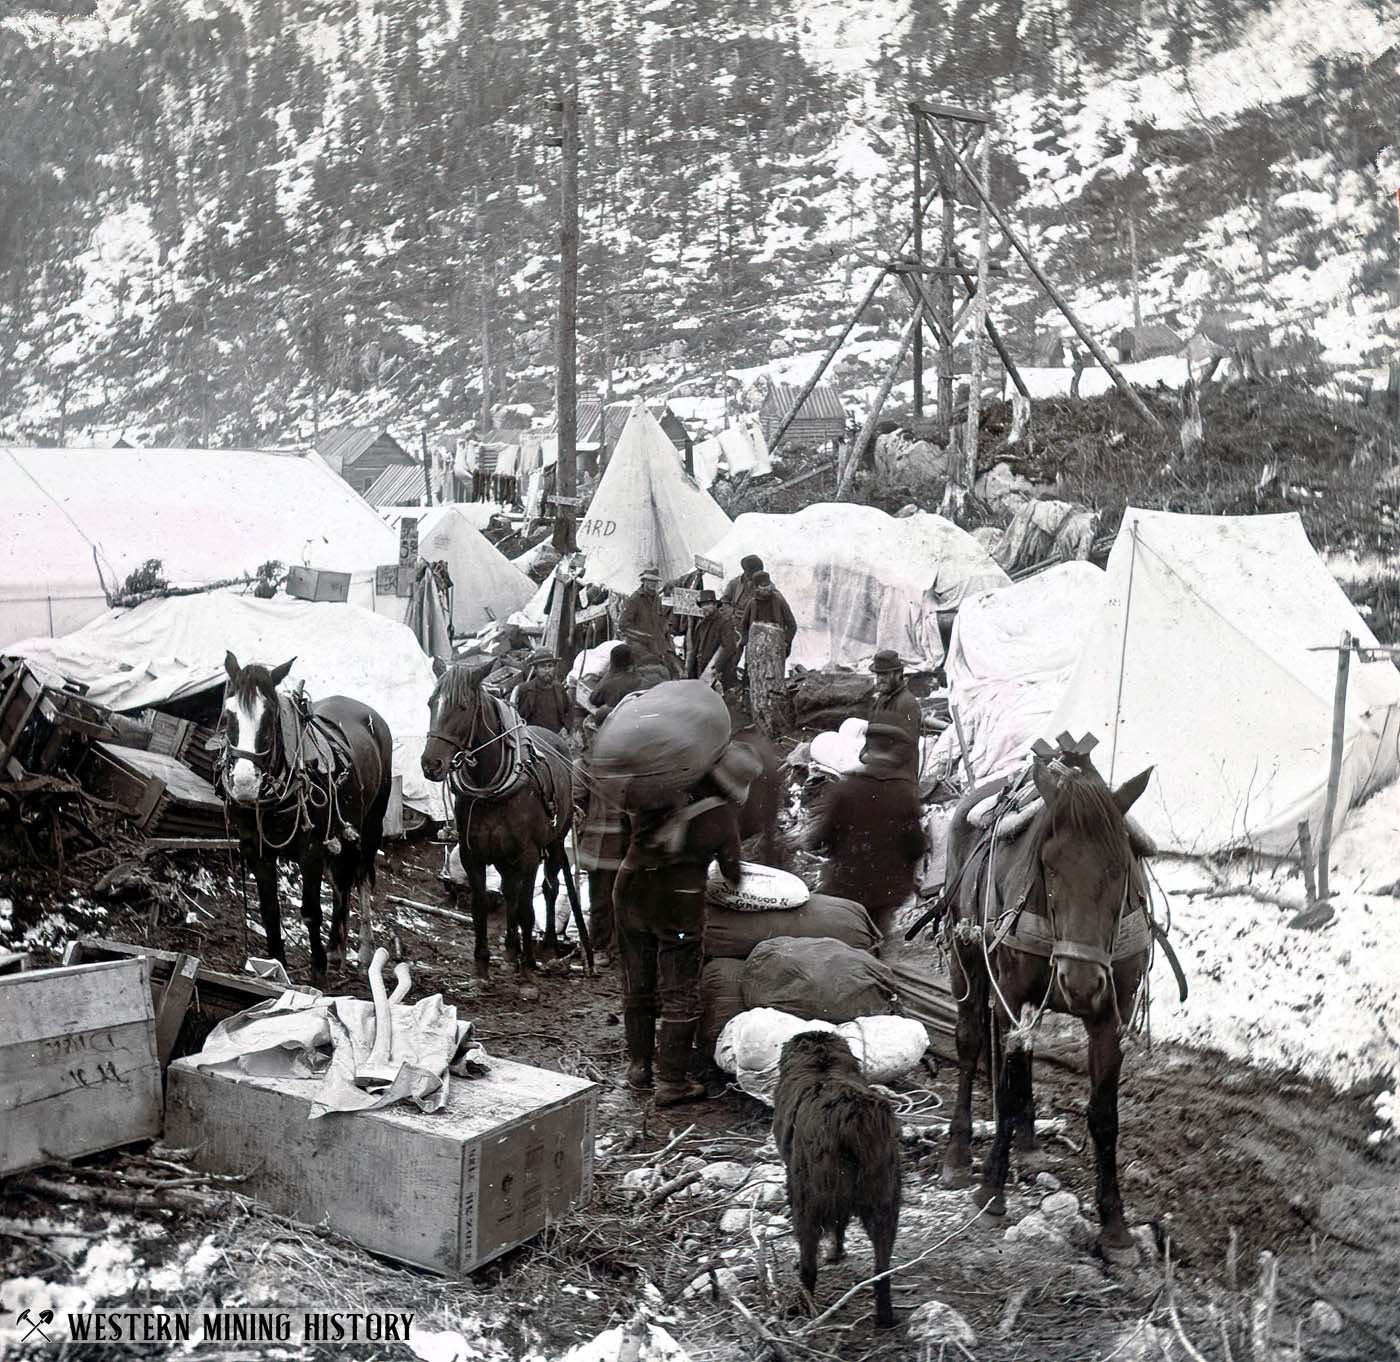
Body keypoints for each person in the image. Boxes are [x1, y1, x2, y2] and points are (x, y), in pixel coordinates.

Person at [614, 744, 758, 1105]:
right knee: (680, 990)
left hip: (630, 889)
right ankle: (672, 1081)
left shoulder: (657, 790)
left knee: (638, 983)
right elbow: (733, 875)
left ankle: (638, 1068)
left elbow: (624, 827)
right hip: (677, 902)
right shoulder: (722, 816)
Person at [804, 723, 928, 955]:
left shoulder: (846, 789)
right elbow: (917, 846)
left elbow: (821, 837)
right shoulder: (904, 794)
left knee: (843, 946)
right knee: (878, 944)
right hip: (887, 891)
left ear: (867, 750)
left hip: (846, 886)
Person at [867, 649, 922, 779]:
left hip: (899, 778)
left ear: (898, 674)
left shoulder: (907, 703)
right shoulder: (881, 700)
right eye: (878, 675)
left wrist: (877, 765)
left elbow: (906, 747)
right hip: (879, 772)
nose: (880, 679)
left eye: (885, 675)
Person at [619, 566, 675, 671]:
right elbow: (623, 625)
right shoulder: (634, 599)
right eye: (650, 580)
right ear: (644, 581)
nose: (653, 584)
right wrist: (644, 637)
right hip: (639, 647)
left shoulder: (657, 598)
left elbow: (659, 620)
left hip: (656, 646)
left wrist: (665, 631)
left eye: (655, 581)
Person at [739, 570, 798, 664]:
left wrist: (785, 642)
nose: (766, 588)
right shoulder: (752, 603)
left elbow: (792, 625)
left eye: (767, 585)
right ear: (756, 588)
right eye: (762, 586)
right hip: (755, 651)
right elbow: (743, 626)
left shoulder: (779, 601)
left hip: (775, 648)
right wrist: (748, 642)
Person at [689, 589, 740, 690]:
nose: (705, 607)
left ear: (715, 605)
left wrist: (716, 671)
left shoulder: (724, 623)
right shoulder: (701, 625)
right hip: (702, 671)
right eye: (703, 605)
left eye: (708, 604)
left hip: (719, 674)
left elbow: (728, 648)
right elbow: (695, 650)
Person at [510, 650, 571, 733]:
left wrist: (565, 727)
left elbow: (568, 711)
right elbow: (515, 717)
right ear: (535, 670)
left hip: (554, 737)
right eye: (543, 666)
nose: (547, 670)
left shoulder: (559, 689)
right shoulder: (524, 689)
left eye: (550, 666)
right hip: (531, 737)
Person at [586, 643, 641, 724]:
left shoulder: (610, 682)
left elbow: (593, 699)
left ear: (612, 661)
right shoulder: (640, 676)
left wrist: (609, 673)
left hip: (620, 722)